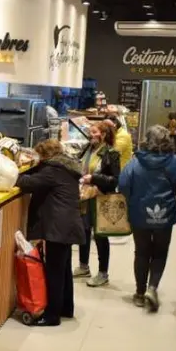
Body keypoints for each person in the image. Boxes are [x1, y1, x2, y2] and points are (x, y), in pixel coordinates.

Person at [16, 139, 85, 326]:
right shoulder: (65, 167)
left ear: (45, 156)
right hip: (67, 224)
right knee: (63, 269)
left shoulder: (52, 170)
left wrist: (14, 170)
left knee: (54, 271)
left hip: (58, 226)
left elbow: (25, 182)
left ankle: (52, 316)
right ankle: (66, 307)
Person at [119, 125, 176, 312]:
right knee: (160, 252)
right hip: (165, 213)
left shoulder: (136, 162)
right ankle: (152, 287)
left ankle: (140, 293)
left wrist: (133, 199)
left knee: (141, 252)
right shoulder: (174, 161)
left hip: (139, 213)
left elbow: (123, 184)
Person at [73, 122, 120, 288]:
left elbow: (114, 180)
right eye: (90, 132)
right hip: (85, 196)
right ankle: (83, 266)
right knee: (84, 231)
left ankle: (103, 273)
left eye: (94, 132)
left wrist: (93, 178)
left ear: (104, 134)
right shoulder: (88, 149)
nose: (90, 135)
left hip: (101, 198)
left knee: (100, 236)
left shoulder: (111, 153)